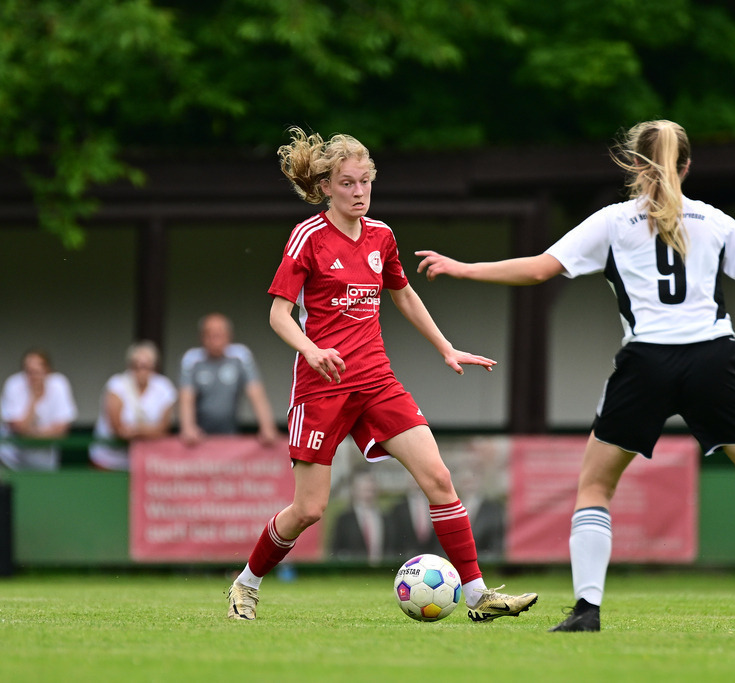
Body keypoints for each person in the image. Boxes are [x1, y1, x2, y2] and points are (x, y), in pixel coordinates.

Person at [416, 119, 735, 637]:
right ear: (686, 166)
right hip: (714, 360)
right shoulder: (716, 222)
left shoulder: (614, 222)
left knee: (595, 486)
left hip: (647, 363)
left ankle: (587, 610)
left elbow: (538, 270)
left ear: (634, 165)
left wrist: (463, 267)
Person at [226, 127, 537, 623]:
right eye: (347, 183)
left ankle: (478, 596)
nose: (359, 192)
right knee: (309, 510)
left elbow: (403, 294)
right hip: (322, 387)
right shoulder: (308, 237)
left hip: (376, 381)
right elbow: (278, 315)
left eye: (365, 182)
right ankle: (246, 584)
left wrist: (445, 346)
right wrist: (312, 350)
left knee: (439, 477)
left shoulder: (382, 236)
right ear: (326, 187)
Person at [178, 312, 279, 446]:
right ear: (201, 337)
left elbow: (256, 393)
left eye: (219, 334)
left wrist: (267, 427)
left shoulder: (241, 356)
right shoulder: (191, 359)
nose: (215, 339)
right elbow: (186, 397)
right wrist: (188, 428)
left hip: (231, 431)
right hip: (199, 435)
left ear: (229, 336)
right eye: (210, 335)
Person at [89, 341, 177, 471]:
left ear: (154, 367)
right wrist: (150, 431)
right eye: (136, 366)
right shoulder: (116, 385)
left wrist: (135, 431)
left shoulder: (164, 387)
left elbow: (163, 428)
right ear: (129, 366)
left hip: (145, 462)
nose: (141, 371)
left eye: (146, 366)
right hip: (108, 460)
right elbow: (118, 429)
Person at [0, 349, 77, 471]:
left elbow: (61, 430)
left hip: (45, 460)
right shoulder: (13, 384)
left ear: (48, 371)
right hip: (11, 460)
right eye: (29, 372)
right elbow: (19, 429)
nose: (33, 377)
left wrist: (31, 433)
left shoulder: (59, 384)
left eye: (37, 372)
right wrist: (34, 399)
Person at [329, 470, 388, 564]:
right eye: (364, 489)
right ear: (354, 490)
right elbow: (334, 551)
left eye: (371, 489)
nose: (368, 492)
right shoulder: (344, 520)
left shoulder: (386, 518)